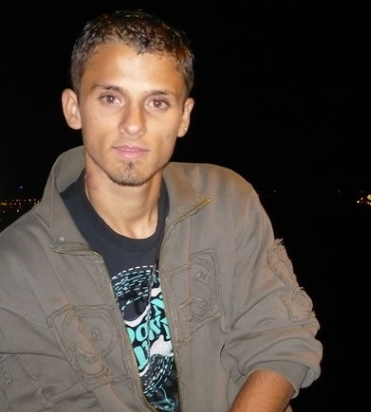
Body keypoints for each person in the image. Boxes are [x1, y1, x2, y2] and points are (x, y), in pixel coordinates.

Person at [0, 9, 322, 412]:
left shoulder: (229, 202)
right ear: (73, 108)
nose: (133, 123)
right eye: (111, 98)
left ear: (183, 117)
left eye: (157, 102)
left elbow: (281, 337)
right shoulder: (14, 267)